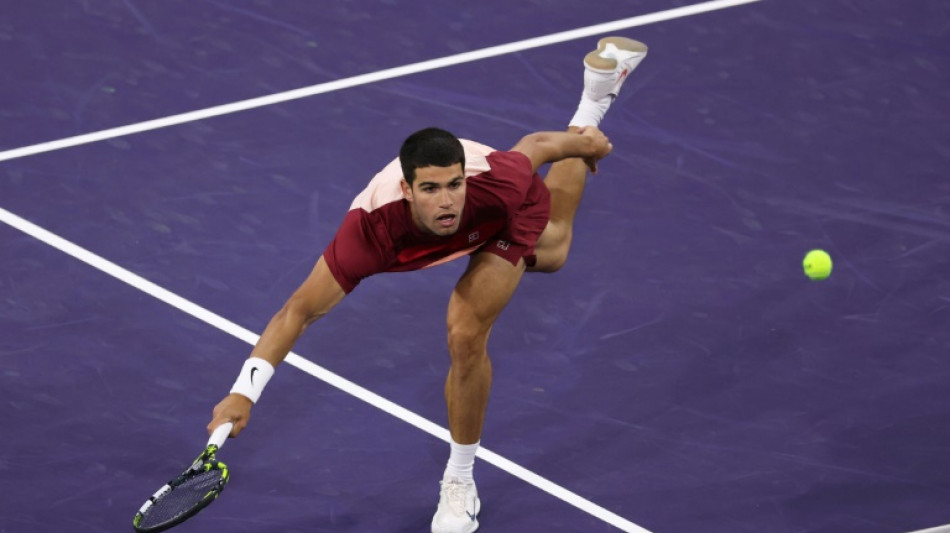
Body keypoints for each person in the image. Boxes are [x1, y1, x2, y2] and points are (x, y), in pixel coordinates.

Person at [207, 36, 647, 533]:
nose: (446, 201)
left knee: (484, 314)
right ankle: (599, 90)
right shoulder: (369, 234)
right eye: (431, 189)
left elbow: (538, 147)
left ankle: (459, 482)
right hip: (445, 227)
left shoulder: (493, 188)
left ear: (465, 178)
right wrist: (243, 393)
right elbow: (297, 312)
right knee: (555, 253)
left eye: (453, 185)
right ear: (407, 189)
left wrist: (587, 141)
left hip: (500, 221)